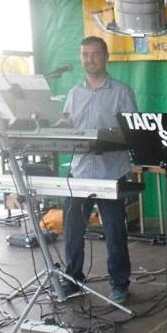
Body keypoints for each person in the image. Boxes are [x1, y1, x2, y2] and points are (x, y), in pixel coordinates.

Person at [60, 36, 138, 303]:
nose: (89, 60)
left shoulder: (121, 92)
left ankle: (120, 283)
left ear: (106, 57)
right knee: (72, 231)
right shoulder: (74, 93)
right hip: (79, 172)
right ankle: (72, 280)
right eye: (85, 54)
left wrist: (108, 138)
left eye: (94, 54)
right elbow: (68, 126)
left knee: (115, 232)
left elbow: (132, 131)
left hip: (110, 173)